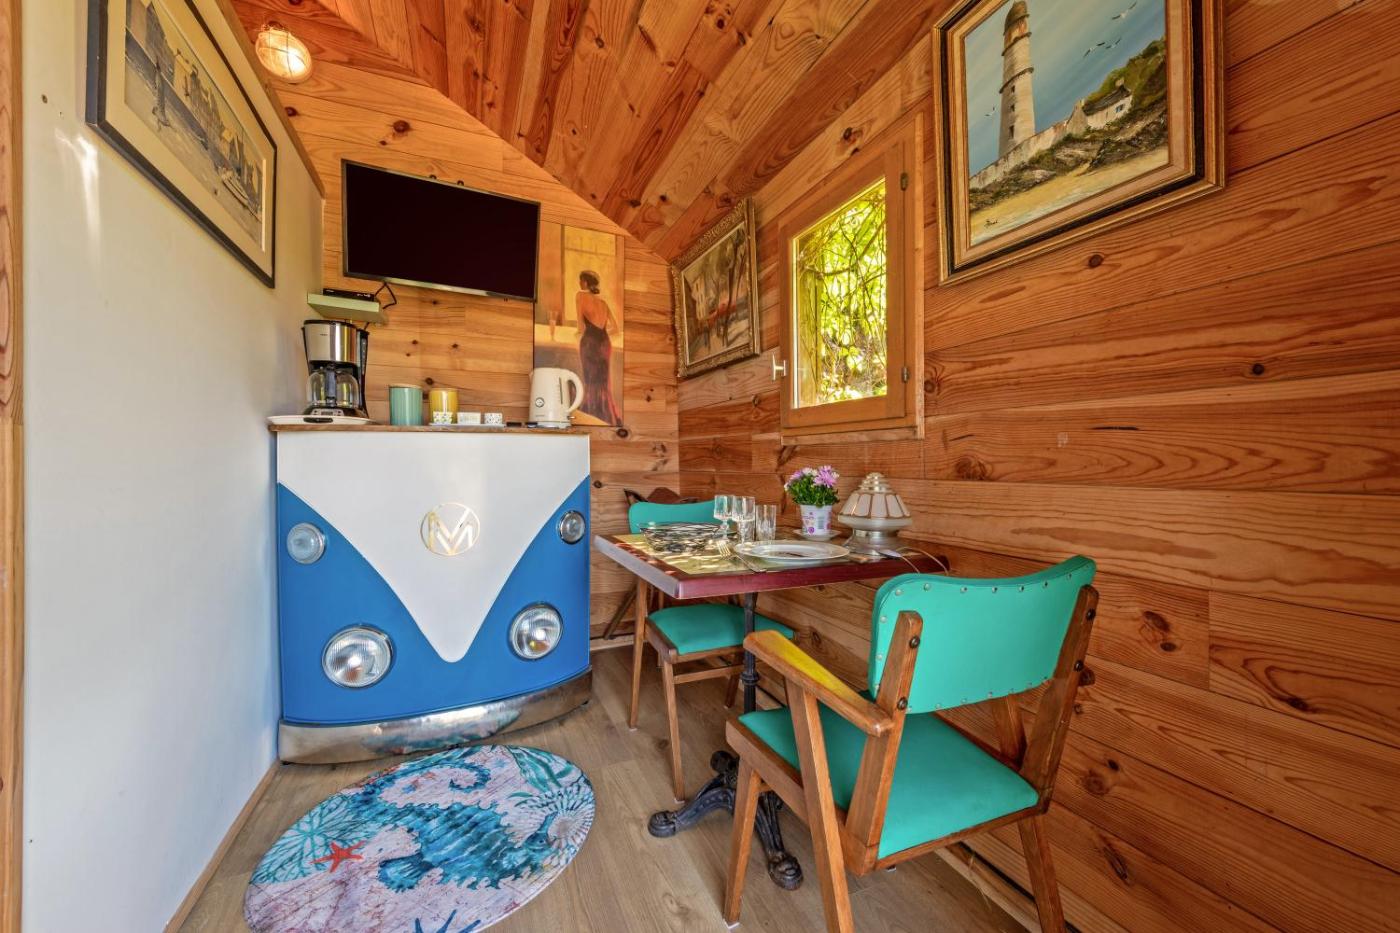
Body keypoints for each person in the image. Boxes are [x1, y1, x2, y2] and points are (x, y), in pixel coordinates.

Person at [575, 270, 622, 424]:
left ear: (585, 283)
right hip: (604, 343)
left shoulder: (580, 296)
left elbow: (580, 328)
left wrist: (584, 333)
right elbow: (616, 329)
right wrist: (601, 333)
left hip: (590, 343)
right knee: (603, 381)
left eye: (581, 280)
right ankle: (605, 415)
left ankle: (591, 412)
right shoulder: (603, 303)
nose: (579, 283)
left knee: (590, 380)